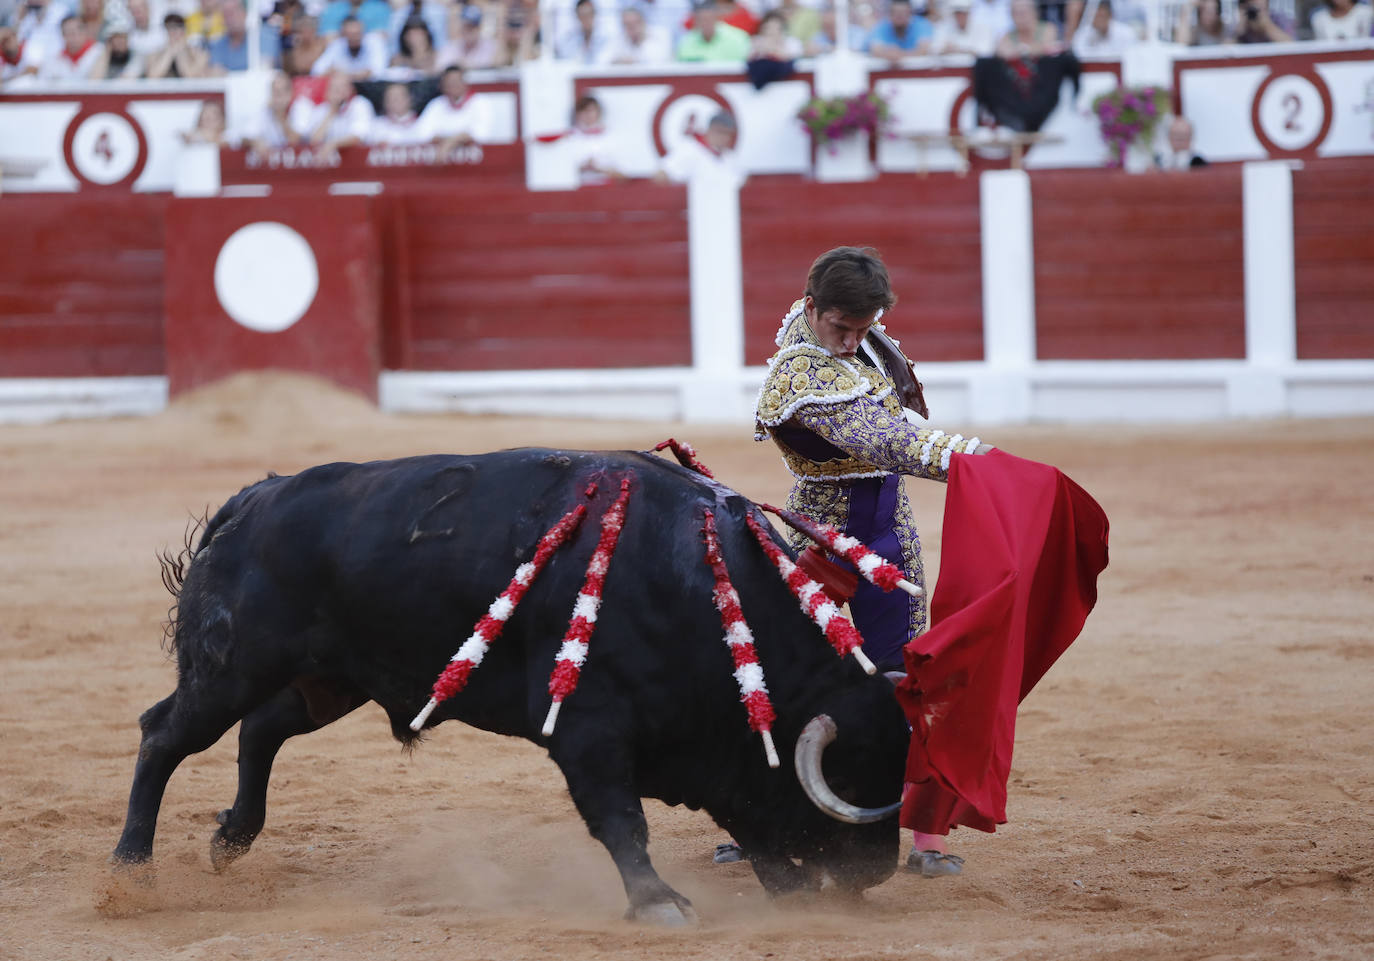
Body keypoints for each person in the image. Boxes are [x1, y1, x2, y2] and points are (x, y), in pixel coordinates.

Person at [752, 246, 994, 876]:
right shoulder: (798, 371)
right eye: (842, 327)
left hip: (892, 535)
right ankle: (759, 815)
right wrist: (977, 461)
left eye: (863, 328)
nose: (852, 340)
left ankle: (925, 834)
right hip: (822, 541)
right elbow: (885, 436)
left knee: (903, 681)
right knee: (795, 677)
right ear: (812, 309)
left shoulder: (874, 345)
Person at [289, 67, 375, 151]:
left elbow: (358, 137)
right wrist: (332, 112)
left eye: (342, 87)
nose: (338, 92)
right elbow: (314, 141)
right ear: (327, 92)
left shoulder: (360, 104)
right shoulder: (322, 109)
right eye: (334, 88)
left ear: (351, 90)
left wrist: (333, 145)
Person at [655, 108, 745, 187]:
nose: (724, 138)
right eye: (721, 132)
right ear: (710, 130)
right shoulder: (690, 150)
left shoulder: (730, 157)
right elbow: (661, 175)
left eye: (728, 134)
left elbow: (742, 182)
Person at [415, 64, 490, 152]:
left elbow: (481, 133)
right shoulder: (436, 104)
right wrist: (446, 141)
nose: (453, 85)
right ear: (443, 85)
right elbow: (422, 133)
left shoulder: (479, 102)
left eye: (456, 81)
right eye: (449, 82)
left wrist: (452, 142)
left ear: (464, 82)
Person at [311, 13, 387, 77]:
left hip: (370, 88)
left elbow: (378, 70)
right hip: (343, 88)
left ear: (363, 31)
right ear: (343, 34)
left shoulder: (374, 41)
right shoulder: (338, 44)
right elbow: (317, 70)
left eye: (357, 33)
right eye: (350, 34)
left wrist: (344, 74)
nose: (354, 38)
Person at [244, 69, 300, 151]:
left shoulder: (300, 107)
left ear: (290, 93)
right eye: (275, 92)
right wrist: (255, 142)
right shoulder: (265, 110)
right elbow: (244, 136)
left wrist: (280, 116)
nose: (277, 97)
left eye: (281, 92)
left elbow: (295, 140)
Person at [676, 0, 750, 61]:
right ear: (696, 21)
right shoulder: (686, 41)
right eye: (702, 20)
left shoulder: (738, 38)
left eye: (709, 19)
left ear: (717, 18)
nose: (705, 23)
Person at [600, 4, 671, 64]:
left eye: (635, 23)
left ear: (643, 22)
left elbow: (660, 60)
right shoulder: (619, 38)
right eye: (627, 24)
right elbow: (602, 60)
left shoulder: (660, 34)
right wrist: (619, 61)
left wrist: (641, 40)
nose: (632, 28)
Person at [37, 15, 102, 80]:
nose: (75, 37)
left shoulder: (99, 52)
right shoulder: (55, 60)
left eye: (79, 31)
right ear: (63, 36)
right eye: (70, 33)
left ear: (85, 32)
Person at [867, 0, 933, 63]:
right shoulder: (881, 26)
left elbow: (924, 50)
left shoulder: (922, 24)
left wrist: (899, 55)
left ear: (910, 13)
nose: (899, 16)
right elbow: (875, 50)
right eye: (895, 13)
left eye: (903, 13)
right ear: (889, 14)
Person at [146, 12, 209, 77]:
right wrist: (170, 51)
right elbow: (153, 75)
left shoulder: (199, 53)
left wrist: (181, 51)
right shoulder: (155, 53)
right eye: (169, 28)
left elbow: (189, 75)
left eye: (178, 27)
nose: (174, 32)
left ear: (184, 30)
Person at [438, 3, 500, 69]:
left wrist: (464, 65)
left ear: (479, 28)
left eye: (472, 27)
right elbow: (441, 67)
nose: (469, 31)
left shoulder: (491, 46)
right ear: (461, 27)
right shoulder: (451, 47)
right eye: (466, 26)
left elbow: (497, 64)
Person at [995, 0, 1061, 57]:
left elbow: (1048, 47)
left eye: (1023, 13)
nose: (1020, 18)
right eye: (1016, 14)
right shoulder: (1008, 35)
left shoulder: (1048, 28)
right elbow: (1001, 51)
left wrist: (1023, 50)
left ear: (1034, 12)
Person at [1071, 0, 1137, 55]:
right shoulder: (1082, 35)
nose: (1099, 20)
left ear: (1110, 15)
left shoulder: (1126, 33)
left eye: (1102, 16)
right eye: (1096, 16)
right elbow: (1079, 57)